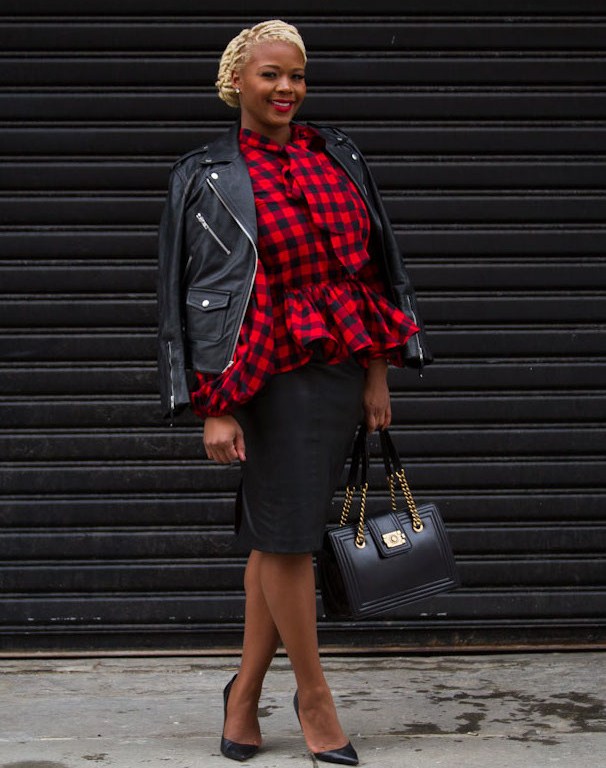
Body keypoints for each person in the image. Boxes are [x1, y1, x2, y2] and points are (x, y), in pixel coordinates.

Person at [157, 19, 432, 765]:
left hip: (339, 363)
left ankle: (243, 697)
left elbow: (374, 268)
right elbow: (186, 295)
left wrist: (378, 371)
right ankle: (314, 697)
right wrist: (213, 404)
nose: (286, 89)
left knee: (276, 540)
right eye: (270, 75)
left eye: (297, 76)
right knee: (288, 540)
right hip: (260, 373)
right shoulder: (205, 172)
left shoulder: (336, 155)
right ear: (236, 82)